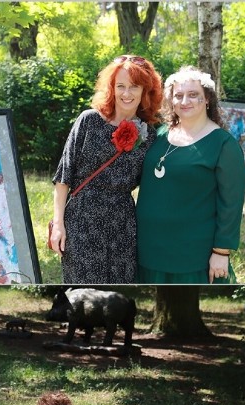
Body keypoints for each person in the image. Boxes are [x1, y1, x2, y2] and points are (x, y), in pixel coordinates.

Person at [49, 55, 162, 284]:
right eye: (120, 86)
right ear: (111, 88)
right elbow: (63, 178)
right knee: (83, 284)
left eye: (134, 87)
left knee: (120, 283)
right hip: (82, 218)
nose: (127, 94)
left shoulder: (150, 135)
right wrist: (58, 225)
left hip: (123, 222)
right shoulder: (89, 121)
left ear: (145, 91)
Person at [135, 66, 245, 284]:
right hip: (149, 247)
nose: (185, 101)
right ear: (171, 101)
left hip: (193, 254)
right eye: (179, 95)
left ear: (207, 100)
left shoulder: (224, 144)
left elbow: (231, 204)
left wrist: (221, 252)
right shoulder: (158, 135)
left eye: (193, 95)